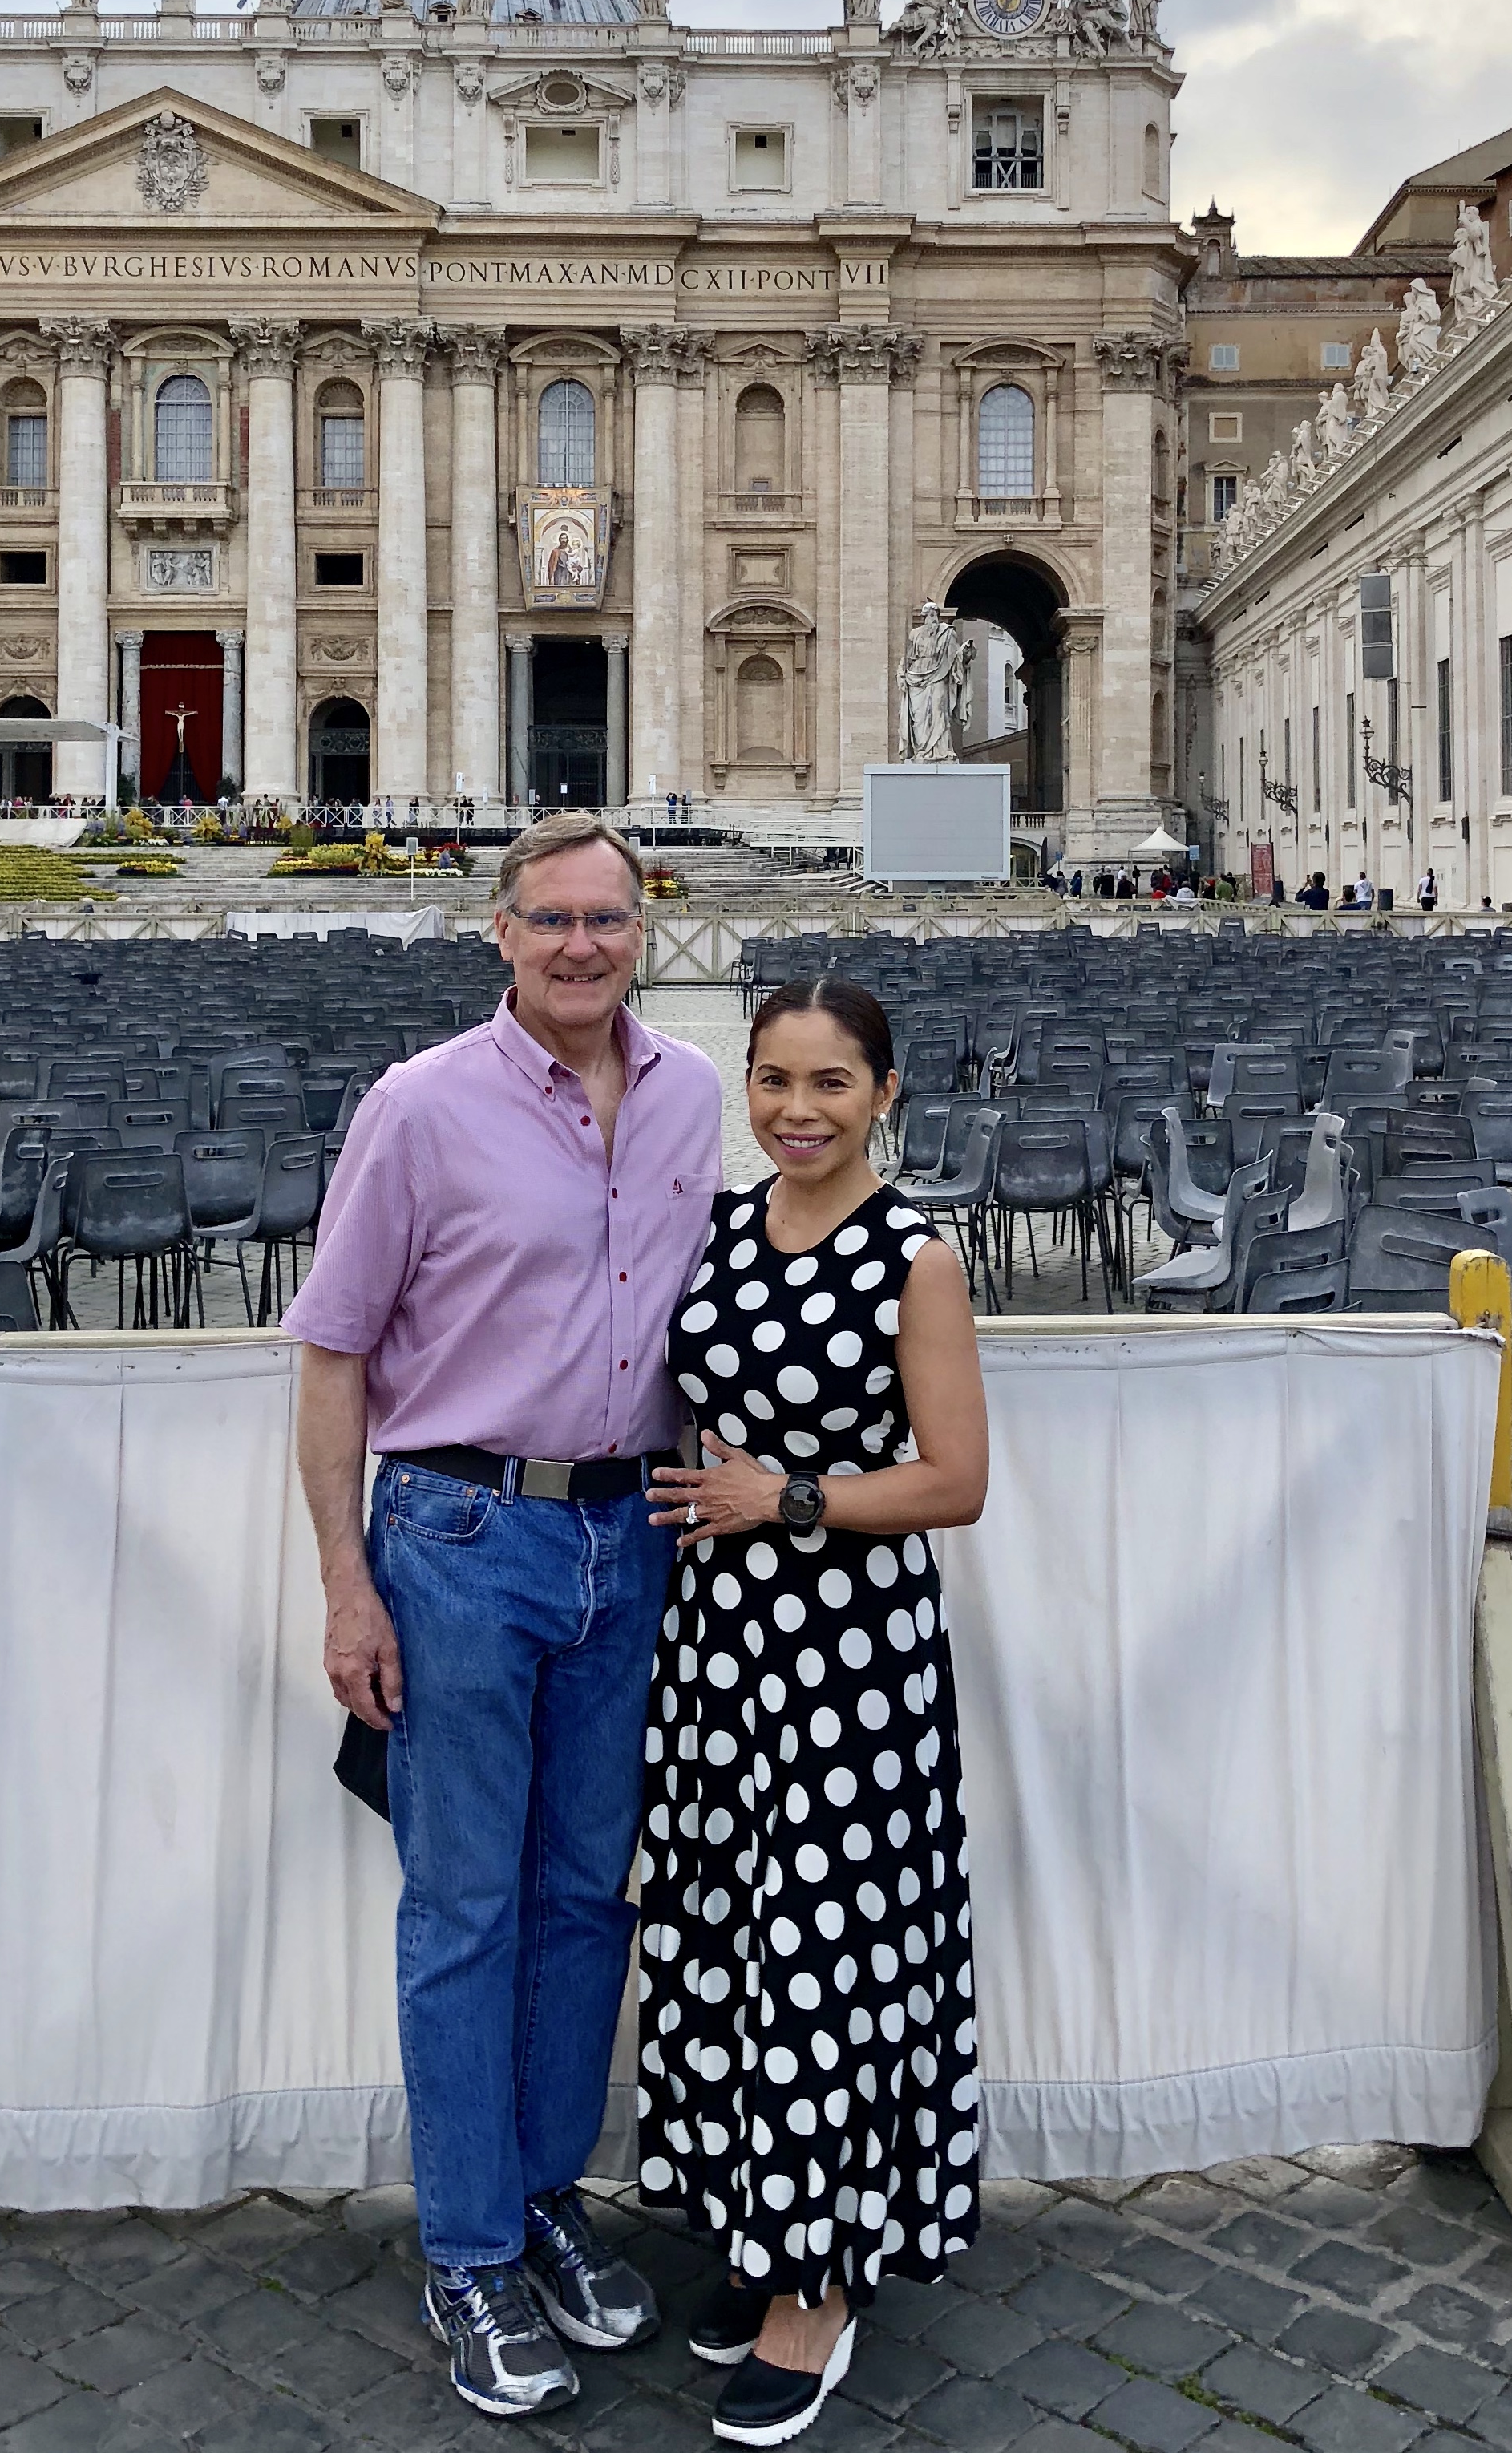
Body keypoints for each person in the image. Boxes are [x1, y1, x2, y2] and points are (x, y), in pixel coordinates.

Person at [285, 811, 723, 2422]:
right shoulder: (418, 1106)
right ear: (502, 933)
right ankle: (467, 2251)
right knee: (464, 1908)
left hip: (632, 1533)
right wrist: (346, 1585)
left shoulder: (691, 1095)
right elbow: (333, 1353)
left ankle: (545, 2199)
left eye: (607, 919)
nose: (582, 946)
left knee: (585, 1900)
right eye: (553, 920)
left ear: (640, 931)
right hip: (460, 1538)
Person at [640, 978, 988, 2447]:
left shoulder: (916, 1256)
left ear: (884, 1094)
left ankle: (816, 2288)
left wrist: (780, 1498)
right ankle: (758, 2227)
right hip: (720, 1646)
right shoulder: (722, 1227)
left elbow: (954, 1482)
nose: (796, 1110)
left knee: (823, 1958)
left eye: (830, 1082)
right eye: (773, 1080)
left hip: (849, 1656)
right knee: (729, 1937)